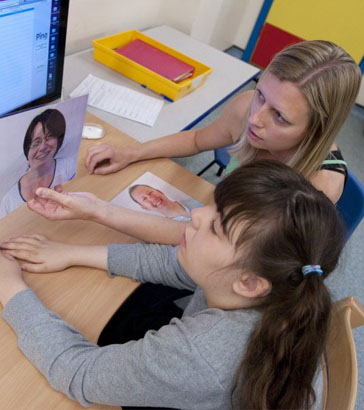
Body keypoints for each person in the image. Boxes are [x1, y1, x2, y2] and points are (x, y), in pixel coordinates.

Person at [0, 160, 345, 409]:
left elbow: (76, 373)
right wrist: (72, 252)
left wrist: (11, 287)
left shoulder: (199, 355)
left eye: (215, 226)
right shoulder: (284, 283)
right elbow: (175, 264)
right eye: (213, 207)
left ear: (250, 283)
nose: (195, 214)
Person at [0, 109, 75, 218]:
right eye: (36, 142)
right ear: (27, 153)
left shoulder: (68, 167)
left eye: (49, 137)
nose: (43, 146)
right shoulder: (10, 200)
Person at [129, 184, 201, 221]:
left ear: (159, 192)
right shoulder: (169, 232)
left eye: (150, 192)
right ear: (145, 207)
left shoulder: (197, 200)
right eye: (144, 199)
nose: (152, 198)